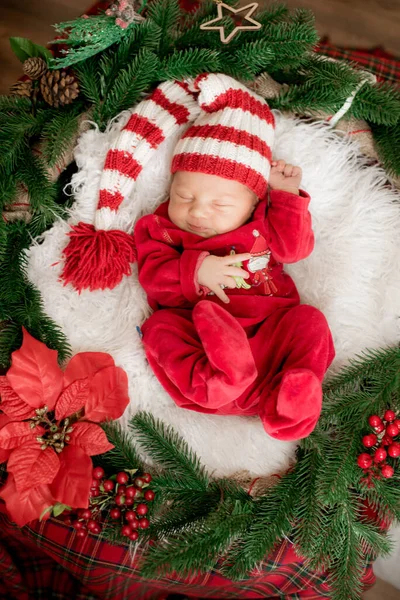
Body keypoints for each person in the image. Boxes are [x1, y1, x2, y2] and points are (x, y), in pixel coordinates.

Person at [133, 73, 335, 441]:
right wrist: (195, 270)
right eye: (184, 197)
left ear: (253, 202)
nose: (198, 213)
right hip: (204, 348)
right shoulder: (162, 229)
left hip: (269, 341)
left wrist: (287, 197)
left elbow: (296, 249)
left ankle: (291, 401)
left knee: (309, 322)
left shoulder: (262, 222)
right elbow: (152, 276)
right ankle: (222, 378)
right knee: (159, 329)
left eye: (220, 204)